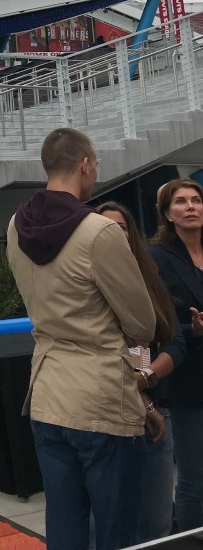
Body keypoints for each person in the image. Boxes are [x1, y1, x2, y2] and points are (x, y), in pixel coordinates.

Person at [7, 128, 155, 550]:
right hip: (100, 397)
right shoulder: (99, 233)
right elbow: (141, 324)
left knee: (65, 526)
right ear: (86, 165)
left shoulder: (15, 225)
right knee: (116, 529)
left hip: (48, 392)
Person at [96, 201, 184, 542]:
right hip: (111, 415)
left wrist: (148, 379)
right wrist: (140, 397)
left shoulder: (151, 276)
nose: (114, 233)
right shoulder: (88, 280)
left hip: (156, 410)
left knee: (158, 522)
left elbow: (176, 342)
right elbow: (103, 351)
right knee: (108, 521)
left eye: (121, 226)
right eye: (105, 226)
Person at [149, 178, 203, 535]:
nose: (190, 207)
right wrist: (192, 329)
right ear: (167, 213)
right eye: (181, 202)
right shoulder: (158, 258)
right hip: (189, 378)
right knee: (195, 479)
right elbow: (157, 321)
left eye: (196, 200)